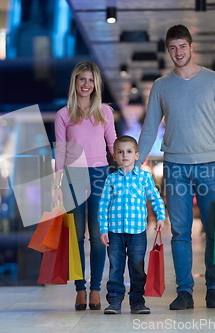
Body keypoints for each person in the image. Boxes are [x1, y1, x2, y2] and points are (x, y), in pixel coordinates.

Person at [136, 24, 215, 310]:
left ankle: (214, 288)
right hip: (175, 166)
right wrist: (133, 164)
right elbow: (148, 129)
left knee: (214, 231)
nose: (178, 52)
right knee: (179, 232)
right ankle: (184, 291)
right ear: (168, 51)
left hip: (209, 165)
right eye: (173, 48)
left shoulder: (214, 80)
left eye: (182, 46)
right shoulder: (161, 86)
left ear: (192, 47)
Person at [53, 61, 117, 310]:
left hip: (100, 174)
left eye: (91, 80)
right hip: (73, 176)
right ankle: (80, 289)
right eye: (82, 80)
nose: (86, 85)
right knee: (76, 236)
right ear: (75, 82)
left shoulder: (104, 112)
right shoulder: (63, 115)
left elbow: (112, 143)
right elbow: (61, 149)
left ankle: (95, 290)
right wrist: (57, 182)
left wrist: (126, 167)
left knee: (99, 237)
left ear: (96, 84)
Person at [99, 136, 166, 314]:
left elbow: (155, 198)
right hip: (114, 232)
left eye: (129, 151)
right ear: (114, 156)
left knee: (137, 266)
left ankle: (137, 301)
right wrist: (103, 229)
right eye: (120, 152)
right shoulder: (111, 180)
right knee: (115, 267)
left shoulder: (144, 177)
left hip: (137, 232)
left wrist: (161, 216)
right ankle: (114, 300)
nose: (125, 155)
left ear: (136, 155)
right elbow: (103, 205)